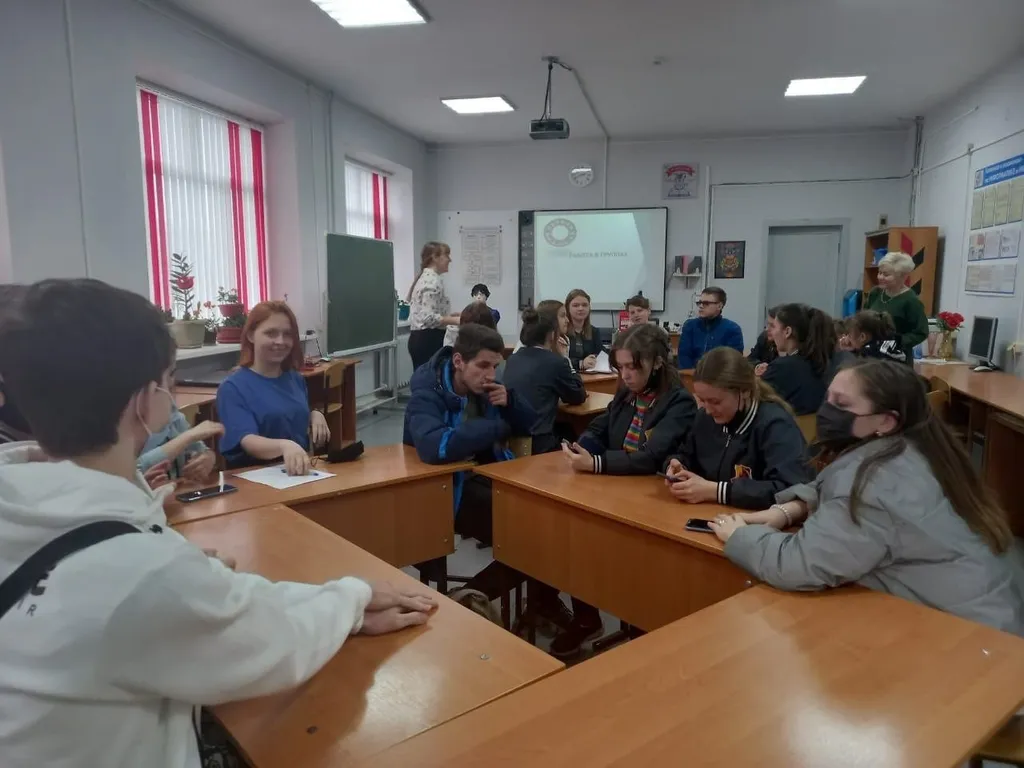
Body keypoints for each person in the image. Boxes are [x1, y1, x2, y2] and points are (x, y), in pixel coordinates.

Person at [0, 278, 437, 768]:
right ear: (145, 402)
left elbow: (211, 607)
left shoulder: (27, 504)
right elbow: (271, 645)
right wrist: (353, 595)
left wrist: (197, 578)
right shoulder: (139, 571)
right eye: (169, 381)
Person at [709, 359, 1024, 636]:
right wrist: (792, 509)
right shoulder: (916, 446)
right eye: (829, 398)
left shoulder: (873, 481)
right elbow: (831, 486)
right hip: (985, 615)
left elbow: (797, 565)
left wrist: (740, 536)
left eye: (842, 404)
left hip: (968, 641)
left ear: (885, 421)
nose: (827, 410)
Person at [404, 323, 536, 547]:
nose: (491, 375)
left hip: (482, 474)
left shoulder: (487, 388)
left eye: (495, 366)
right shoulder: (426, 394)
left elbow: (530, 426)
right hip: (443, 486)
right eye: (483, 366)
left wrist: (511, 403)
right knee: (523, 530)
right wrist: (496, 428)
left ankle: (495, 571)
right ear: (458, 361)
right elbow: (436, 447)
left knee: (541, 517)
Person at [663, 347, 813, 509]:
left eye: (715, 402)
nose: (707, 410)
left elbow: (790, 489)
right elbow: (685, 453)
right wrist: (677, 467)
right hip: (711, 513)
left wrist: (718, 491)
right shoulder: (704, 419)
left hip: (756, 520)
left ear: (745, 392)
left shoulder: (775, 425)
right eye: (702, 400)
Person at [564, 323, 697, 476]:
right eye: (620, 367)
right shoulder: (627, 394)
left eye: (632, 367)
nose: (624, 375)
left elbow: (651, 457)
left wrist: (597, 463)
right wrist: (581, 448)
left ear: (657, 363)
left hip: (650, 483)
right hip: (618, 479)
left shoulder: (680, 403)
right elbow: (597, 429)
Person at [216, 301, 330, 474]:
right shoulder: (232, 388)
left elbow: (287, 416)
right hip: (255, 479)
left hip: (298, 473)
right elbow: (248, 441)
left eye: (287, 334)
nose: (280, 341)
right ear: (251, 335)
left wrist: (314, 415)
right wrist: (284, 446)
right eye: (271, 333)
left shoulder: (295, 379)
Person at [503, 304, 586, 454]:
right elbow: (577, 396)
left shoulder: (513, 359)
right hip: (539, 443)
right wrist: (565, 358)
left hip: (510, 440)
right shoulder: (555, 362)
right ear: (551, 335)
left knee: (565, 428)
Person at [761, 303, 836, 415]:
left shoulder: (782, 367)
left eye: (774, 327)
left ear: (787, 332)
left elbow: (753, 399)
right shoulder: (821, 363)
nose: (770, 331)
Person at [136, 393, 223, 484]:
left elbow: (201, 450)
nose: (170, 395)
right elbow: (134, 472)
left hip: (178, 489)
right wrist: (187, 437)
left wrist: (208, 458)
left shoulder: (173, 414)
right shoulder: (129, 425)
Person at [408, 242, 462, 370]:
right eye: (446, 255)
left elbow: (430, 313)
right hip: (427, 340)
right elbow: (428, 318)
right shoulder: (431, 281)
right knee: (430, 378)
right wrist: (456, 320)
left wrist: (450, 316)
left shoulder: (429, 278)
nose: (449, 260)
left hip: (424, 338)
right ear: (435, 257)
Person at [862, 251, 929, 354]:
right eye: (880, 273)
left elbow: (921, 333)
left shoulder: (911, 301)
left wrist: (897, 342)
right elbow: (862, 318)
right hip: (870, 352)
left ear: (902, 276)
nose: (880, 277)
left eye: (886, 275)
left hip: (896, 356)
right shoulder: (875, 293)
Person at [677, 286, 744, 369]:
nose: (701, 306)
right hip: (691, 374)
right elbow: (684, 356)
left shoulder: (733, 329)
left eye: (706, 303)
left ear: (719, 306)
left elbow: (733, 362)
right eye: (699, 302)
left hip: (719, 375)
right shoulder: (690, 325)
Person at [840, 310, 907, 364]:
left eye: (849, 335)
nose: (847, 339)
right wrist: (854, 350)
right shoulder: (890, 344)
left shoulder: (869, 353)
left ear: (862, 337)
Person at [565, 289, 603, 372]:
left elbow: (601, 354)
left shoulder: (594, 331)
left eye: (585, 305)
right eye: (576, 305)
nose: (581, 308)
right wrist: (580, 363)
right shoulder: (562, 331)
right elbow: (558, 359)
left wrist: (595, 359)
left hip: (590, 375)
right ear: (568, 308)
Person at [747, 306, 779, 374]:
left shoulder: (790, 348)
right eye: (768, 324)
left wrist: (769, 369)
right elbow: (750, 359)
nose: (767, 329)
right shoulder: (764, 337)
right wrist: (758, 366)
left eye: (772, 326)